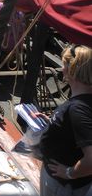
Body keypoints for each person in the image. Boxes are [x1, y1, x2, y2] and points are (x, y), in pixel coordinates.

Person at [39, 45, 92, 196]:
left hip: (61, 186)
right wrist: (54, 122)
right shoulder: (84, 100)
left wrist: (70, 173)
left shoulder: (78, 109)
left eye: (64, 65)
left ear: (73, 70)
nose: (62, 69)